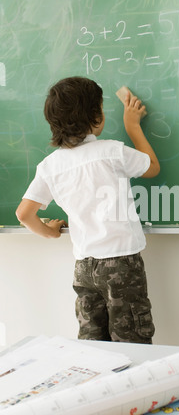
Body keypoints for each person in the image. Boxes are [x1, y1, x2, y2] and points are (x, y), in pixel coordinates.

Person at [16, 76, 160, 344]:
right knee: (133, 343)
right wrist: (132, 126)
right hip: (121, 265)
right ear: (96, 117)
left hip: (84, 267)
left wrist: (49, 233)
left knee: (93, 347)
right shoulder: (112, 152)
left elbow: (24, 214)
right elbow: (152, 166)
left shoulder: (50, 166)